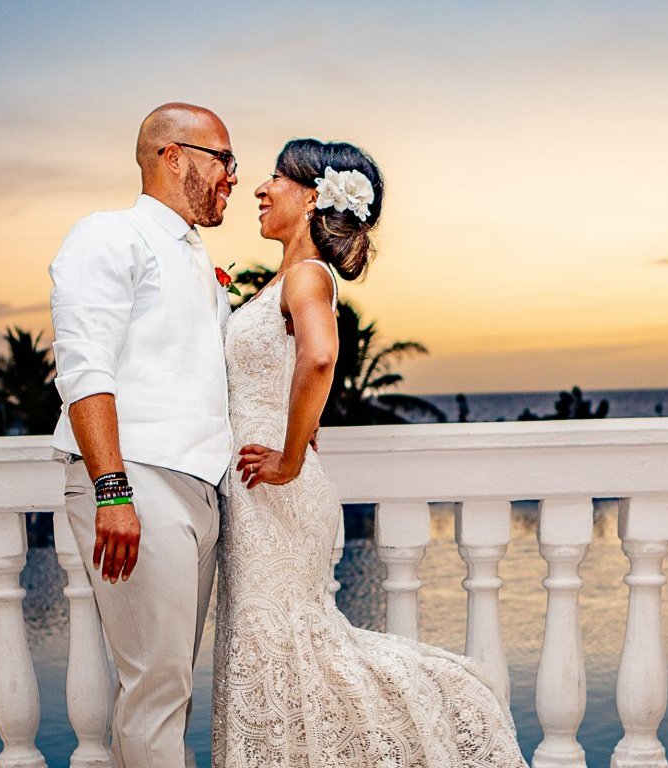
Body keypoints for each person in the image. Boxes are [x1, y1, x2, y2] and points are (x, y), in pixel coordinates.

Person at [212, 138, 527, 767]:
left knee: (285, 643)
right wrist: (286, 424)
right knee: (271, 647)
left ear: (309, 198)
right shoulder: (286, 277)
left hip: (272, 486)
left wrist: (291, 455)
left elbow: (321, 356)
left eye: (276, 177)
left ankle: (447, 713)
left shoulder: (306, 276)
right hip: (257, 490)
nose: (260, 188)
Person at [48, 102, 238, 768]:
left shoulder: (197, 260)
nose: (233, 178)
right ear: (173, 156)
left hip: (200, 490)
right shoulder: (109, 236)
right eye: (223, 160)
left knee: (170, 686)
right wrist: (112, 490)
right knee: (156, 689)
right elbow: (84, 369)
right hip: (139, 483)